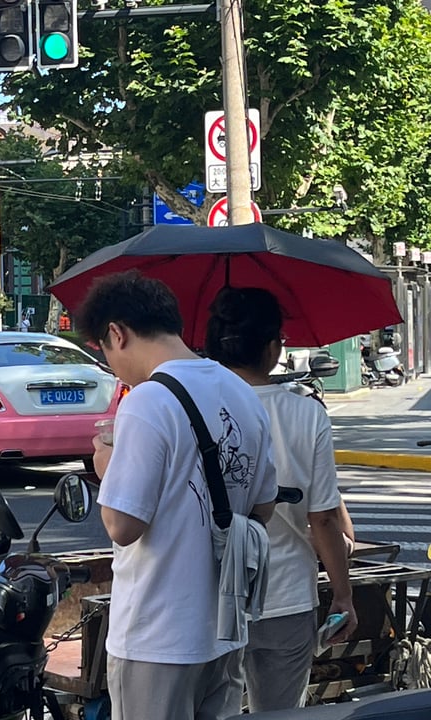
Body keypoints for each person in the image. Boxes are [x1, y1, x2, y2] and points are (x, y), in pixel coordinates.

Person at [78, 270, 278, 720]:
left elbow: (122, 525)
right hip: (225, 631)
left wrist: (106, 467)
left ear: (117, 333)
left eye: (106, 351)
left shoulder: (148, 400)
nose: (113, 365)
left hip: (157, 634)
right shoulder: (241, 393)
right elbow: (262, 506)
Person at [204, 286, 358, 713]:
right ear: (273, 347)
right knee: (280, 712)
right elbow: (324, 518)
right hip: (286, 594)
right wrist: (343, 596)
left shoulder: (192, 408)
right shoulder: (306, 413)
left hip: (210, 596)